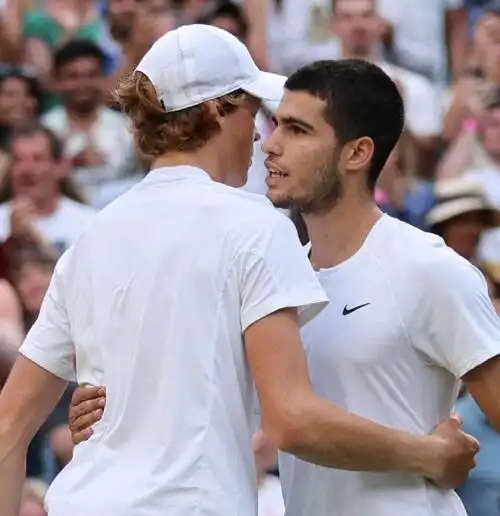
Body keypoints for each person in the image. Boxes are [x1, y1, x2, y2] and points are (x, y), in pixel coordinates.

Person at [0, 27, 478, 516]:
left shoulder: (89, 240)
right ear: (215, 110)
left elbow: (7, 430)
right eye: (251, 112)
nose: (258, 136)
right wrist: (431, 454)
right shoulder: (255, 226)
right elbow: (290, 420)